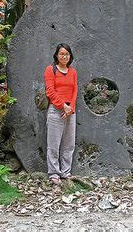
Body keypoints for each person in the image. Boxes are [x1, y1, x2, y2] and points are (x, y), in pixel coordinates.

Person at [44, 43, 78, 185]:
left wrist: (70, 109)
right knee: (53, 144)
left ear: (70, 56)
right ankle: (54, 173)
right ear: (57, 55)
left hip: (70, 111)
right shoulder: (50, 70)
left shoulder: (73, 72)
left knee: (69, 144)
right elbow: (50, 91)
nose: (64, 56)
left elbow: (75, 91)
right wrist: (63, 106)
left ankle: (65, 172)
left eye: (67, 54)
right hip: (55, 110)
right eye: (62, 54)